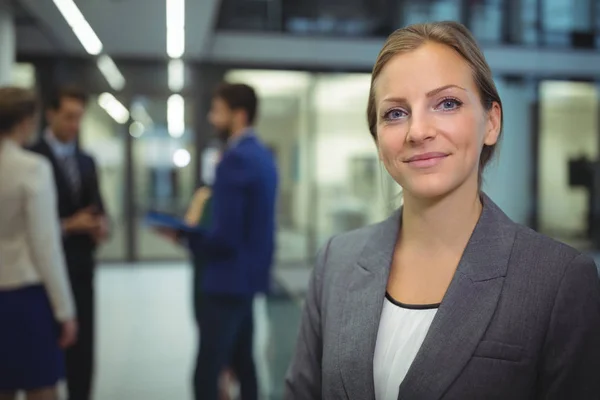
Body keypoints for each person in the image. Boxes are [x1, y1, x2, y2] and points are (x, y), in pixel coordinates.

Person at [284, 21, 600, 400]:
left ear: (492, 123)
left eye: (447, 103)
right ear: (378, 138)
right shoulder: (337, 262)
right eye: (395, 113)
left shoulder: (558, 281)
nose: (418, 131)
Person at [180, 83, 278, 400]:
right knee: (244, 363)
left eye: (217, 111)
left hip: (225, 281)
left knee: (207, 370)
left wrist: (185, 235)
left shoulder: (234, 159)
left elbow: (224, 236)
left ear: (238, 115)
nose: (211, 118)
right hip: (248, 279)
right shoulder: (263, 157)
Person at [29, 86, 109, 400]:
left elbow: (99, 210)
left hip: (82, 268)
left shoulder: (87, 161)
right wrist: (67, 225)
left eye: (79, 118)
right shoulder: (32, 158)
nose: (75, 125)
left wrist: (101, 227)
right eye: (68, 117)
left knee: (83, 350)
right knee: (44, 354)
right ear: (50, 115)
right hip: (43, 272)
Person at [0, 87, 77, 400]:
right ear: (25, 121)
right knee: (42, 389)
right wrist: (65, 310)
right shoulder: (32, 169)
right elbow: (45, 246)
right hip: (25, 295)